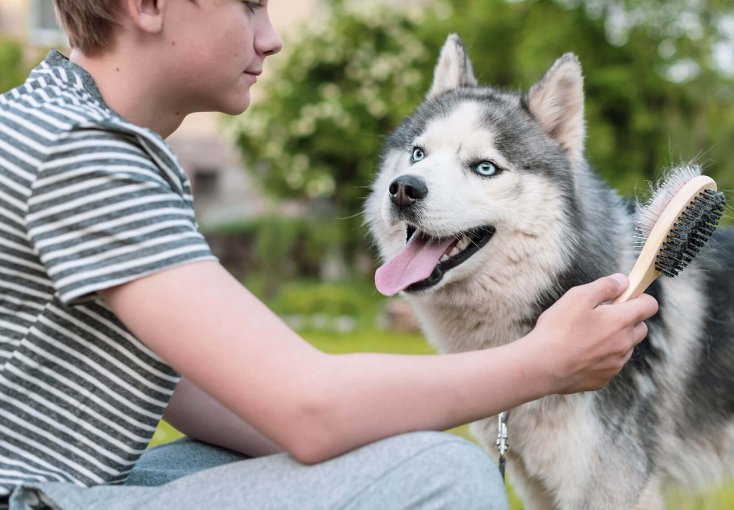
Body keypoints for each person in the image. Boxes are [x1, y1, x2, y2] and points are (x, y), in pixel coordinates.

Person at [0, 0, 659, 508]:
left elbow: (200, 392)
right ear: (146, 4)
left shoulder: (69, 127)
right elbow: (308, 408)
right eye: (249, 4)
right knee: (439, 478)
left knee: (402, 448)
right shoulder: (81, 154)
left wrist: (378, 434)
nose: (271, 36)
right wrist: (544, 362)